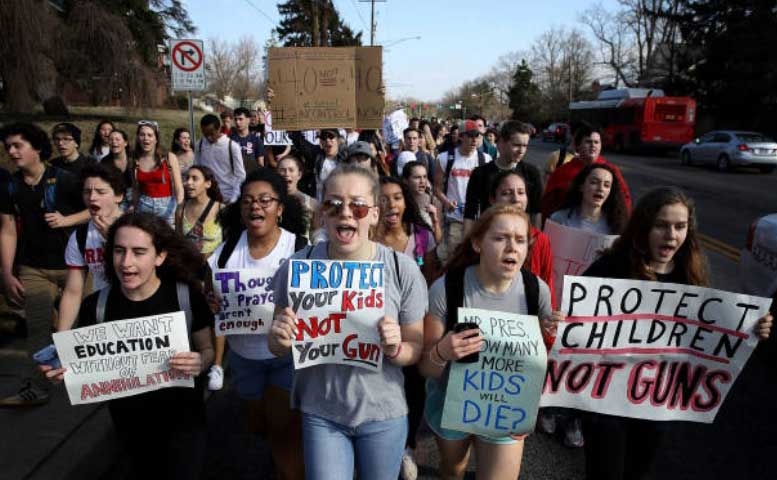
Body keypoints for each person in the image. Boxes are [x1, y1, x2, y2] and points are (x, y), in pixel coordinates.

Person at [580, 186, 772, 480]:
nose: (671, 235)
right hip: (606, 402)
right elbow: (577, 319)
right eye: (661, 225)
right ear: (644, 226)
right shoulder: (612, 266)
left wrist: (752, 328)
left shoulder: (690, 274)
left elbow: (708, 332)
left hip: (656, 401)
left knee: (638, 471)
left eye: (680, 227)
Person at [268, 165, 427, 480]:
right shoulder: (299, 266)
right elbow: (275, 345)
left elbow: (416, 348)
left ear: (374, 214)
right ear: (322, 213)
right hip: (322, 413)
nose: (346, 213)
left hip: (384, 413)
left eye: (358, 205)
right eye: (333, 204)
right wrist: (280, 338)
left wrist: (397, 347)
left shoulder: (401, 269)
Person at [41, 212, 215, 479]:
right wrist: (62, 373)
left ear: (160, 256)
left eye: (139, 252)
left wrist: (199, 362)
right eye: (119, 251)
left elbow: (207, 350)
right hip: (129, 430)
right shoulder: (96, 307)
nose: (126, 262)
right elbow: (82, 365)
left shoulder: (185, 297)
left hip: (185, 426)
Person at [418, 203, 563, 480]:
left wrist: (554, 334)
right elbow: (426, 369)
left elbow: (551, 362)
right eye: (500, 238)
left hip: (506, 409)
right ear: (477, 243)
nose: (512, 247)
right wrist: (441, 351)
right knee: (452, 470)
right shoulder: (446, 288)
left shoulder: (536, 291)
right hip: (451, 402)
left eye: (520, 240)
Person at [207, 168, 307, 479]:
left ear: (280, 208)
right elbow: (212, 297)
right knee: (257, 425)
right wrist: (212, 302)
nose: (256, 206)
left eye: (265, 200)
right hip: (243, 358)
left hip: (286, 359)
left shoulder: (301, 249)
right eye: (248, 200)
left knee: (283, 431)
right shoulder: (223, 256)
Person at [0, 123, 87, 407]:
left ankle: (94, 381)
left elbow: (96, 207)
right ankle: (37, 387)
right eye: (8, 147)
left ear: (36, 148)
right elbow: (8, 229)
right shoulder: (10, 186)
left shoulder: (64, 180)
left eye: (18, 145)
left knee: (80, 328)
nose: (11, 152)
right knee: (37, 330)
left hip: (73, 267)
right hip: (33, 268)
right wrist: (7, 272)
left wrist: (66, 220)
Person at [374, 176, 437, 480]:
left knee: (413, 387)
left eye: (397, 197)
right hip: (374, 329)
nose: (391, 204)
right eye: (383, 198)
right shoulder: (366, 240)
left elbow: (434, 275)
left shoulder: (422, 236)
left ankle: (408, 447)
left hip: (414, 326)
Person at [58, 164, 127, 331]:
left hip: (144, 314)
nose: (92, 198)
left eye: (101, 192)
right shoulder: (80, 238)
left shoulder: (141, 228)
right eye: (87, 192)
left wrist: (113, 239)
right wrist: (61, 336)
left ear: (118, 196)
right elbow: (73, 292)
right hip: (105, 314)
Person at [489, 170, 556, 308]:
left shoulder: (540, 240)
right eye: (507, 193)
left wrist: (550, 319)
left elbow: (547, 283)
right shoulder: (481, 236)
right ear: (493, 199)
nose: (516, 199)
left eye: (521, 192)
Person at [464, 120, 543, 234]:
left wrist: (535, 241)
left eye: (525, 146)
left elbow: (536, 212)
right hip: (489, 238)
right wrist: (466, 246)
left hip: (522, 239)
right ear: (501, 143)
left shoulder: (531, 173)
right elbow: (470, 213)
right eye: (516, 145)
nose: (521, 151)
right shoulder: (480, 173)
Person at [541, 124, 632, 220]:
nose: (593, 145)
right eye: (588, 142)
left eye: (597, 142)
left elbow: (624, 201)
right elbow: (548, 204)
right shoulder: (562, 171)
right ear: (578, 146)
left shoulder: (611, 171)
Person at [434, 120, 492, 263]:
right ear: (461, 136)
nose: (474, 139)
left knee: (479, 260)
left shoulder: (485, 159)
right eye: (470, 135)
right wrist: (447, 202)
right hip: (456, 221)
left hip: (479, 221)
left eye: (477, 135)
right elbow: (436, 188)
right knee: (454, 259)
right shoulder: (444, 158)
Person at [549, 163, 629, 235]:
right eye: (594, 182)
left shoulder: (616, 225)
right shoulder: (559, 219)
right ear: (581, 186)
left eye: (606, 185)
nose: (601, 188)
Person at [133, 120, 184, 226]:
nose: (146, 138)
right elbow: (136, 189)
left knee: (168, 239)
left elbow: (179, 187)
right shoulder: (135, 159)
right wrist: (134, 208)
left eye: (150, 135)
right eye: (142, 135)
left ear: (156, 139)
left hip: (167, 207)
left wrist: (179, 209)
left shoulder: (169, 157)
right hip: (144, 205)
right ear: (138, 138)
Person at [195, 114, 246, 204]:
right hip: (206, 198)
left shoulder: (232, 147)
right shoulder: (199, 145)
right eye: (205, 134)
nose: (208, 137)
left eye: (211, 134)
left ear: (219, 129)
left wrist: (233, 199)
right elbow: (197, 169)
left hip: (227, 197)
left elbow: (240, 175)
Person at [175, 165, 223, 257]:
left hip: (214, 266)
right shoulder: (181, 209)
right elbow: (178, 242)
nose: (188, 182)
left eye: (195, 179)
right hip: (189, 265)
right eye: (187, 178)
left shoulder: (221, 209)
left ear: (208, 184)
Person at [277, 155, 318, 242]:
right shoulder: (269, 202)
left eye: (291, 170)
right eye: (282, 170)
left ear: (299, 174)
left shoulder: (312, 204)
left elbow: (316, 234)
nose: (287, 174)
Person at [401, 160, 442, 242]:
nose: (422, 181)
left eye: (424, 177)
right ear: (405, 180)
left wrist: (435, 220)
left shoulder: (434, 201)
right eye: (417, 177)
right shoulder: (400, 202)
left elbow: (438, 240)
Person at [101, 129, 134, 212]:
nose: (114, 142)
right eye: (111, 139)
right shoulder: (104, 162)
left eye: (117, 139)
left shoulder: (135, 158)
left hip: (136, 197)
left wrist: (134, 203)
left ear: (125, 143)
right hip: (116, 198)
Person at [231, 107, 266, 174]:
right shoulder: (230, 140)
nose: (237, 122)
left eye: (240, 119)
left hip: (251, 178)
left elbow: (261, 164)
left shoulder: (256, 140)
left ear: (248, 120)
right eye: (235, 119)